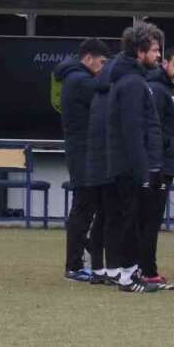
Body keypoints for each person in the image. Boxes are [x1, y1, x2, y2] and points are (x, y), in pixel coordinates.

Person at [105, 23, 164, 293]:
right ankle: (128, 277)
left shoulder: (133, 80)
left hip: (130, 165)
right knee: (130, 220)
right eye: (154, 50)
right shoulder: (132, 83)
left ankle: (131, 273)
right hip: (130, 168)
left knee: (132, 219)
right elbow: (132, 130)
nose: (159, 55)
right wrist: (143, 171)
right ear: (140, 52)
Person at [55, 38, 109, 282]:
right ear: (88, 59)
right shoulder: (80, 80)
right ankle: (74, 264)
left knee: (87, 208)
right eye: (102, 62)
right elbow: (106, 90)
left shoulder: (75, 77)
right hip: (83, 154)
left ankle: (84, 254)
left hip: (84, 153)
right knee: (83, 209)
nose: (104, 68)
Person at [139, 41, 174, 288]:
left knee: (149, 220)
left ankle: (144, 269)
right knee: (149, 220)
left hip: (161, 165)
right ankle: (146, 272)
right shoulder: (157, 90)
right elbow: (153, 131)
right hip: (156, 167)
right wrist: (156, 166)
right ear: (164, 63)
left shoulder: (164, 89)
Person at [86, 51, 118, 285]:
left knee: (102, 217)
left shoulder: (98, 94)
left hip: (96, 164)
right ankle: (112, 268)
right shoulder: (114, 94)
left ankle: (98, 268)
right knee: (111, 218)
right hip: (110, 165)